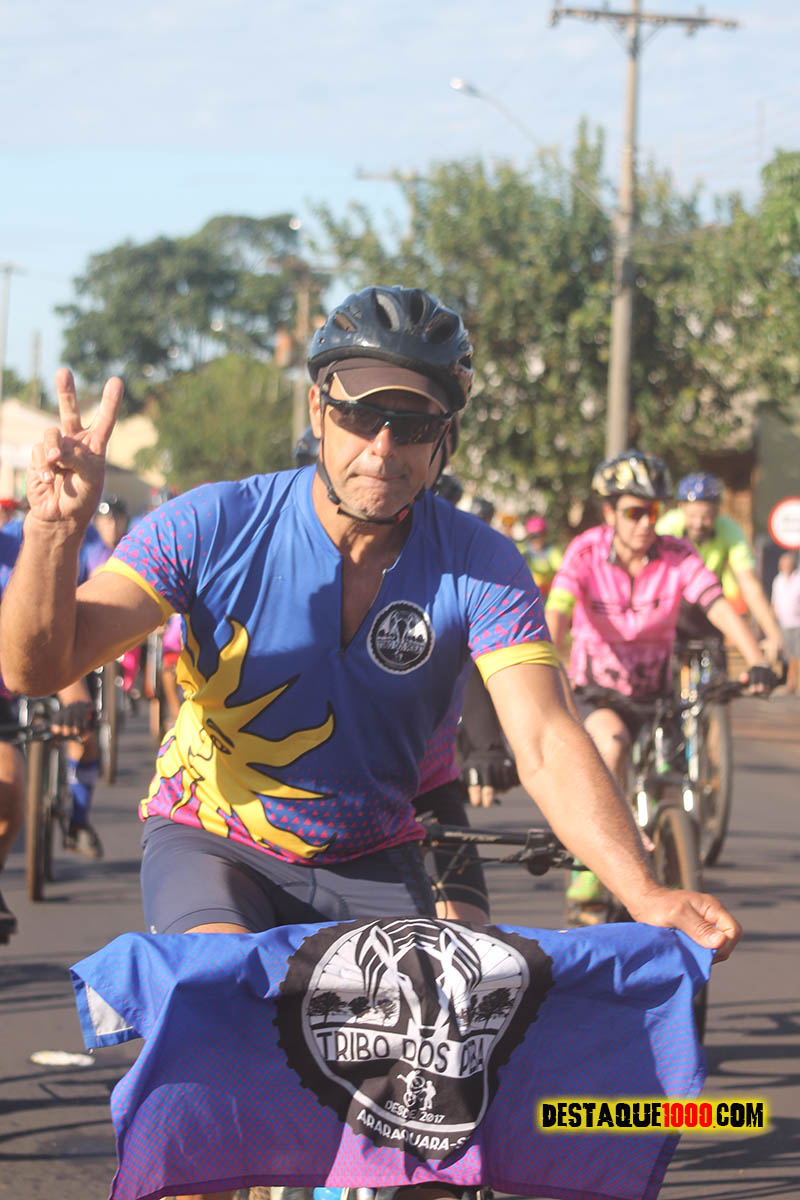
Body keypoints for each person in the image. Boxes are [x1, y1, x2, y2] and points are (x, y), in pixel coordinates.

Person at [1, 289, 743, 976]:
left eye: (413, 426)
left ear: (445, 439)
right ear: (318, 410)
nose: (383, 449)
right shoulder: (212, 524)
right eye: (360, 415)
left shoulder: (481, 562)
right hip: (215, 841)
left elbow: (546, 738)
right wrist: (52, 534)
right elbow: (36, 671)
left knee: (439, 1035)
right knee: (228, 996)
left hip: (374, 849)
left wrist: (645, 892)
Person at [545, 450, 777, 924]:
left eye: (652, 512)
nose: (646, 523)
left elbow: (716, 604)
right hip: (599, 692)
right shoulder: (585, 552)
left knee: (673, 775)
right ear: (609, 512)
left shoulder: (677, 554)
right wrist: (545, 666)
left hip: (656, 691)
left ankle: (667, 853)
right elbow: (558, 613)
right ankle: (589, 873)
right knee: (610, 746)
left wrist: (756, 659)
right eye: (634, 512)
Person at [656, 472, 785, 666]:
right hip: (671, 606)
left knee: (718, 667)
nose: (698, 524)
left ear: (717, 511)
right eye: (692, 516)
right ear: (681, 508)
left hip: (710, 608)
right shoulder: (667, 528)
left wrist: (773, 635)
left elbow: (749, 583)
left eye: (706, 517)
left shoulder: (729, 530)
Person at [771, 551, 800, 694]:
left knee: (798, 654)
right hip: (783, 623)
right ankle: (790, 682)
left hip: (798, 623)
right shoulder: (778, 580)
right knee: (789, 655)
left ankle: (796, 683)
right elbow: (775, 601)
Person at [520, 515, 562, 601]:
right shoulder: (524, 551)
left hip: (546, 595)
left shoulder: (552, 551)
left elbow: (562, 569)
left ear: (545, 535)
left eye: (540, 535)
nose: (537, 539)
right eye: (533, 536)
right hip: (527, 594)